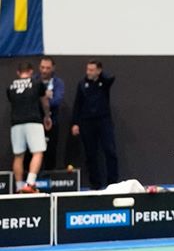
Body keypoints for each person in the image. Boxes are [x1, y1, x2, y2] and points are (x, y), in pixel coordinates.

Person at [71, 59, 119, 190]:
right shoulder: (82, 84)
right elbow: (77, 104)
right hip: (87, 122)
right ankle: (95, 184)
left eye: (92, 70)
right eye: (88, 69)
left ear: (98, 71)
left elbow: (111, 78)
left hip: (104, 121)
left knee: (110, 151)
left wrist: (100, 76)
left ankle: (113, 182)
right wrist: (75, 123)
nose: (88, 72)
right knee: (91, 154)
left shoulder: (104, 83)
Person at [7, 62, 52, 193]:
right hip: (33, 121)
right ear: (31, 71)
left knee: (18, 156)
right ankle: (30, 184)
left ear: (18, 72)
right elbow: (45, 102)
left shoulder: (10, 87)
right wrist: (47, 116)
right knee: (38, 153)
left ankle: (19, 187)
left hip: (16, 123)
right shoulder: (37, 83)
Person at [37, 56, 65, 171]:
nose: (44, 70)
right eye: (42, 67)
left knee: (50, 151)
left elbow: (57, 100)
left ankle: (49, 176)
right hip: (35, 122)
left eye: (47, 68)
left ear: (53, 68)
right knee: (33, 152)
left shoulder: (58, 83)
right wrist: (45, 97)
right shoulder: (34, 80)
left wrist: (43, 99)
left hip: (52, 122)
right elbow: (30, 100)